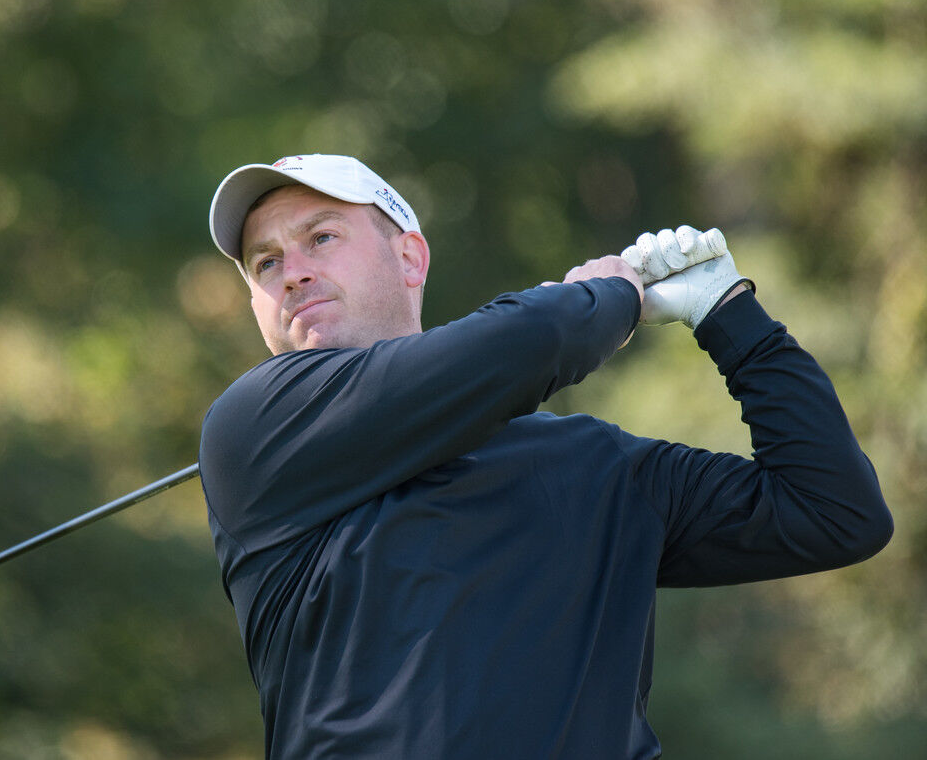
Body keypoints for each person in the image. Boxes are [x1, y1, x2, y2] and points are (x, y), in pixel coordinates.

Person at [197, 153, 893, 759]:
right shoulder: (252, 431)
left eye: (320, 237)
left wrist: (730, 315)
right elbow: (536, 339)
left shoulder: (592, 464)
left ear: (409, 257)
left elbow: (833, 512)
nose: (291, 274)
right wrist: (609, 295)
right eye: (266, 262)